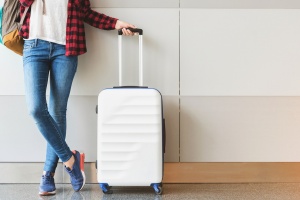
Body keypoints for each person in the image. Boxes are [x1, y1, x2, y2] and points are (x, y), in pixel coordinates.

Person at [19, 0, 137, 196]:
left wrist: (116, 23)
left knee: (57, 111)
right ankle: (70, 159)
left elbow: (86, 13)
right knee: (36, 109)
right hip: (34, 45)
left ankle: (47, 174)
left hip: (65, 49)